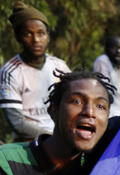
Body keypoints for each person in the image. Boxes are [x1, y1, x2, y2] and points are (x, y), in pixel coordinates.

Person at [0, 1, 71, 142]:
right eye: (28, 34)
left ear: (48, 36)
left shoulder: (59, 66)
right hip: (29, 142)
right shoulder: (10, 72)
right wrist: (52, 137)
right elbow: (17, 122)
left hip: (62, 138)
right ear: (18, 37)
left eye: (41, 33)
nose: (36, 40)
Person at [93, 36, 120, 117]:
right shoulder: (102, 60)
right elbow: (105, 89)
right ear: (107, 49)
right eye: (114, 48)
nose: (118, 51)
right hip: (108, 111)